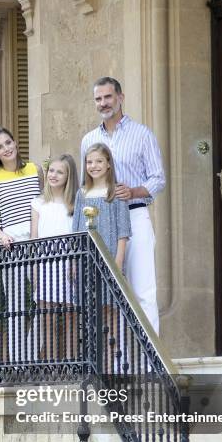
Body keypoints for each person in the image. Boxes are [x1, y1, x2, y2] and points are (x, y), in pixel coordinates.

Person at [81, 76, 166, 335]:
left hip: (135, 215)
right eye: (98, 98)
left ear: (120, 97)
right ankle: (118, 365)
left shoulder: (142, 134)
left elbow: (158, 179)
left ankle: (153, 365)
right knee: (109, 294)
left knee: (143, 291)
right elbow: (85, 185)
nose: (103, 103)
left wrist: (133, 192)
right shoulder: (88, 140)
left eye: (108, 97)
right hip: (103, 221)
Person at [0, 127, 43, 362]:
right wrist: (2, 236)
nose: (7, 148)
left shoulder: (36, 170)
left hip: (38, 240)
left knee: (45, 301)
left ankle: (29, 355)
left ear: (15, 142)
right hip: (11, 243)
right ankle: (17, 361)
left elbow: (45, 207)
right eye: (0, 147)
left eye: (8, 143)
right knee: (15, 306)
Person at [73, 143, 132, 372]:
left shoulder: (115, 192)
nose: (93, 166)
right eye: (89, 162)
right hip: (87, 261)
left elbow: (123, 230)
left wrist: (118, 261)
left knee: (112, 311)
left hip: (110, 259)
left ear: (108, 164)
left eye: (98, 161)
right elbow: (76, 229)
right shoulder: (81, 194)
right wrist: (75, 262)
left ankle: (115, 367)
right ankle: (96, 365)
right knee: (91, 313)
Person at [30, 154, 78, 360]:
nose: (54, 175)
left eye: (60, 172)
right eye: (51, 171)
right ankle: (51, 365)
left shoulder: (74, 204)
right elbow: (33, 239)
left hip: (68, 265)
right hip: (45, 265)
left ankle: (72, 363)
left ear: (68, 177)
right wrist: (34, 269)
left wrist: (75, 263)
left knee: (71, 317)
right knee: (47, 319)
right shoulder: (38, 203)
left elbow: (77, 237)